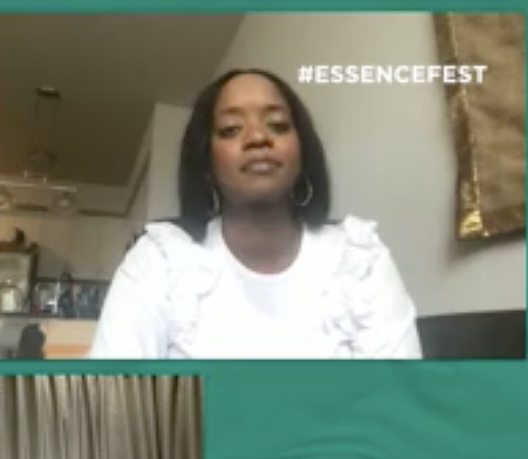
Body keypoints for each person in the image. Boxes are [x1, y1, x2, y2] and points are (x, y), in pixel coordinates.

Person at [89, 68, 422, 359]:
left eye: (277, 125)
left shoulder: (361, 261)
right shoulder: (159, 261)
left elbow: (399, 401)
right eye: (231, 129)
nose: (259, 138)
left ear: (302, 152)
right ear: (205, 162)